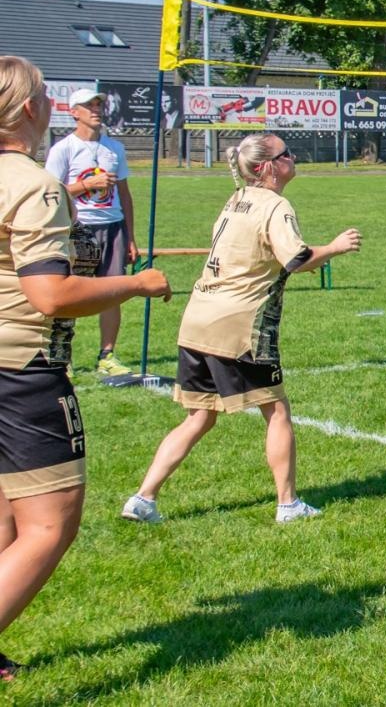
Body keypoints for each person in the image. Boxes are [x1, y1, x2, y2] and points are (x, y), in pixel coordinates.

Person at [0, 57, 170, 681]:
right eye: (45, 93)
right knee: (51, 524)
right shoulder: (34, 183)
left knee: (7, 516)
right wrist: (136, 283)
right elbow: (50, 295)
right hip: (23, 367)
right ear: (28, 110)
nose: (51, 102)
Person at [121, 133, 361, 526]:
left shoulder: (235, 199)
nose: (293, 157)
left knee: (199, 417)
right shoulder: (275, 204)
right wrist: (335, 247)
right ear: (268, 167)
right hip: (239, 326)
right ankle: (288, 504)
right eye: (287, 154)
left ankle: (143, 498)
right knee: (276, 408)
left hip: (197, 318)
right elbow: (297, 260)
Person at [45, 88, 138, 377]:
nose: (96, 109)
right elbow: (52, 192)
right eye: (89, 106)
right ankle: (62, 356)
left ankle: (107, 355)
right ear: (74, 113)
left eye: (99, 104)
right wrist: (87, 185)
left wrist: (131, 236)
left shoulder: (114, 149)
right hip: (78, 228)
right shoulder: (64, 149)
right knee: (70, 294)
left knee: (112, 292)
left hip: (113, 227)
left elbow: (125, 194)